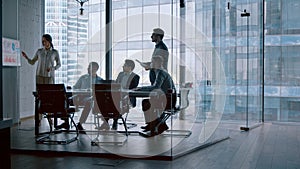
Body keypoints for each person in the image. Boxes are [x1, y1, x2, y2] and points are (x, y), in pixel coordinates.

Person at [134, 55, 176, 136]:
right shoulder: (159, 71)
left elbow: (156, 87)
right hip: (165, 98)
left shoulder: (161, 72)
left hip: (167, 100)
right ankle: (152, 125)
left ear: (158, 63)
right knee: (145, 102)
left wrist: (139, 88)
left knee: (148, 104)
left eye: (152, 62)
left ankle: (156, 127)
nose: (151, 64)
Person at [101, 59, 140, 130]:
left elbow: (132, 89)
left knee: (116, 103)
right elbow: (116, 84)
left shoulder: (135, 77)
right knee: (105, 101)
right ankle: (106, 122)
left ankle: (114, 121)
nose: (123, 67)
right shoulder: (120, 74)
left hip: (127, 98)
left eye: (124, 65)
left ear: (129, 67)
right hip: (117, 95)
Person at [71, 62, 103, 131]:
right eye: (88, 67)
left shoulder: (100, 80)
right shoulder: (83, 78)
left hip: (92, 99)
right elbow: (75, 87)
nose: (87, 68)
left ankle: (80, 123)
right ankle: (68, 122)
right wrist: (80, 91)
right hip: (80, 98)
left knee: (91, 101)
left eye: (89, 67)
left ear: (95, 69)